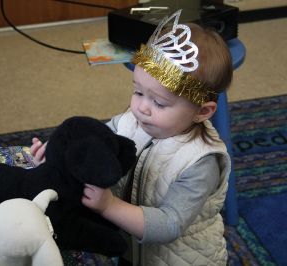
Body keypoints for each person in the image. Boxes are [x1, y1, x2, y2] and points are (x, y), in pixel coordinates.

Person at [31, 9, 233, 266]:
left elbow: (170, 225)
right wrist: (59, 153)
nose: (142, 108)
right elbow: (94, 141)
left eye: (159, 103)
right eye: (138, 92)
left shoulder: (200, 163)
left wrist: (108, 207)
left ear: (202, 112)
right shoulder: (133, 119)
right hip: (131, 249)